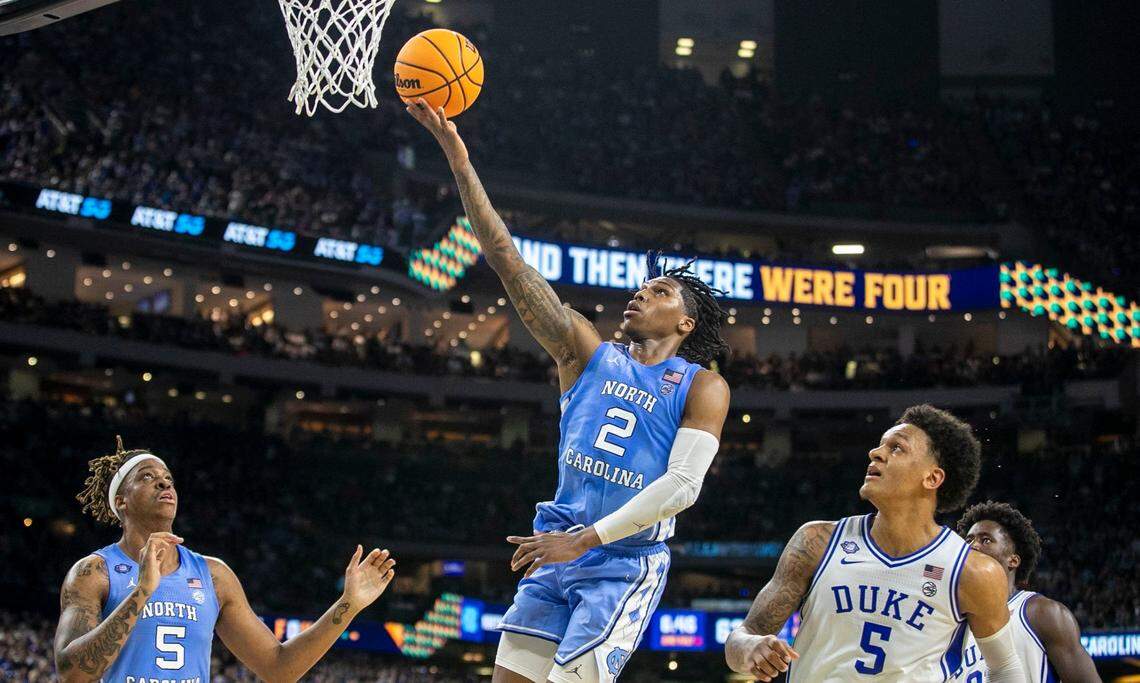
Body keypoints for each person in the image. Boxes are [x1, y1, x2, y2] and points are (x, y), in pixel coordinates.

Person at [407, 99, 731, 683]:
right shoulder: (584, 351)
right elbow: (506, 260)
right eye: (643, 287)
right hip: (555, 544)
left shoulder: (702, 385)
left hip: (622, 562)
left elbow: (681, 488)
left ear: (686, 325)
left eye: (659, 292)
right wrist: (459, 157)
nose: (640, 294)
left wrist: (585, 542)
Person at [53, 437, 397, 683]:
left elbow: (279, 668)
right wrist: (141, 593)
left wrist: (348, 606)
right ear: (122, 502)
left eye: (167, 479)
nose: (163, 483)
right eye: (147, 477)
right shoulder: (93, 572)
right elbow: (71, 672)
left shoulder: (212, 574)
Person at [725, 405, 1028, 682]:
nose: (875, 453)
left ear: (932, 478)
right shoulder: (817, 542)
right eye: (880, 445)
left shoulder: (973, 571)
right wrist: (750, 647)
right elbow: (742, 638)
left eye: (896, 448)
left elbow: (1005, 669)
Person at [955, 500, 1101, 682]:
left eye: (986, 540)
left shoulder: (1041, 613)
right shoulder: (953, 626)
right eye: (968, 540)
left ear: (1013, 560)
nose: (973, 546)